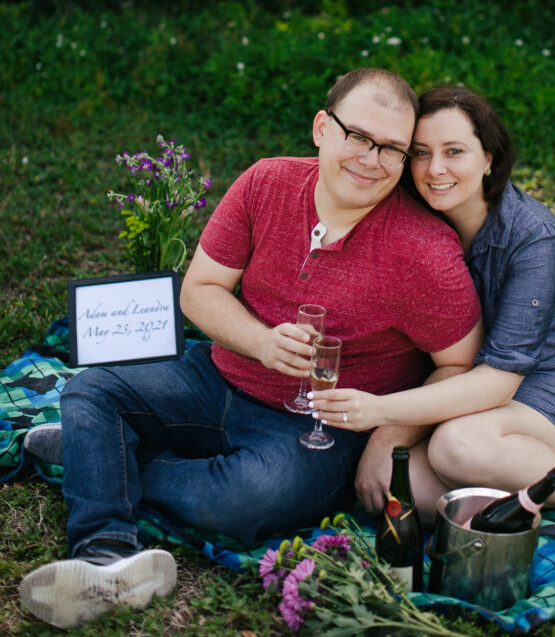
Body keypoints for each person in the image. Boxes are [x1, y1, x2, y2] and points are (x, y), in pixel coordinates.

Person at [20, 69, 483, 628]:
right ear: (322, 127)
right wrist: (260, 342)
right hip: (216, 377)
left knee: (240, 501)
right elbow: (200, 289)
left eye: (392, 149)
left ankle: (95, 458)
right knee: (92, 387)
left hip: (318, 427)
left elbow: (460, 366)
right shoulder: (267, 182)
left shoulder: (424, 253)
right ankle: (105, 554)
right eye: (358, 136)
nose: (371, 159)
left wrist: (389, 435)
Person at [311, 85, 555, 564]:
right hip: (453, 385)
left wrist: (383, 417)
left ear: (489, 156)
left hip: (541, 385)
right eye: (420, 153)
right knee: (404, 491)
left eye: (454, 152)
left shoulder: (532, 233)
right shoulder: (407, 214)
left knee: (455, 447)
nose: (435, 170)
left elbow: (503, 376)